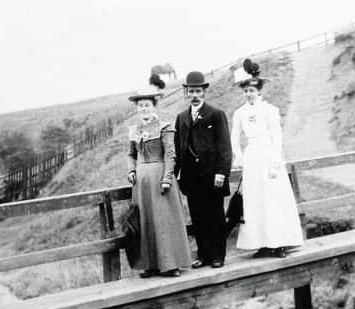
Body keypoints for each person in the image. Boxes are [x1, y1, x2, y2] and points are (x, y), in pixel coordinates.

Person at [230, 59, 303, 257]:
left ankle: (279, 243)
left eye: (252, 90)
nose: (248, 94)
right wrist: (239, 157)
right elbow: (234, 139)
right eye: (245, 91)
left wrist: (275, 162)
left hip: (268, 155)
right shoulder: (240, 113)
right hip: (252, 158)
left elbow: (277, 138)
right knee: (255, 201)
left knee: (273, 200)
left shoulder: (270, 111)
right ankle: (262, 243)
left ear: (259, 90)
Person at [127, 74, 191, 277]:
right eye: (140, 106)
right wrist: (131, 170)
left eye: (147, 105)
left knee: (164, 220)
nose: (143, 109)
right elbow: (130, 154)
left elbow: (171, 154)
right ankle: (151, 265)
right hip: (142, 183)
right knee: (146, 221)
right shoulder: (134, 130)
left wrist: (166, 178)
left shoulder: (164, 127)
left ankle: (170, 265)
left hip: (160, 178)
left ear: (154, 106)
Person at [174, 71, 232, 268]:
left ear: (204, 92)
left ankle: (217, 256)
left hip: (212, 176)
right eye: (191, 91)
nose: (195, 95)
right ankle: (203, 255)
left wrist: (221, 173)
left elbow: (225, 148)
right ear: (186, 93)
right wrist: (175, 176)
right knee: (198, 218)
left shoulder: (216, 115)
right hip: (191, 179)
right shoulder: (181, 118)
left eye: (198, 91)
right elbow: (178, 149)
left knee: (215, 216)